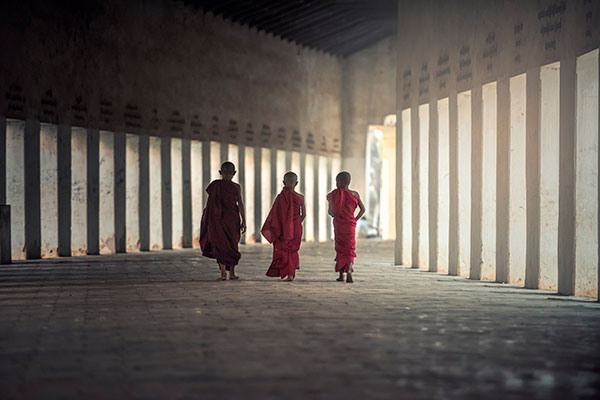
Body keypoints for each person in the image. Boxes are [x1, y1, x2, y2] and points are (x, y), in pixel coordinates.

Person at [199, 161, 246, 280]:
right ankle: (228, 273)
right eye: (227, 173)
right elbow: (239, 203)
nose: (227, 175)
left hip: (224, 219)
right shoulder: (231, 186)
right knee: (227, 245)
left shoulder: (220, 185)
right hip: (226, 219)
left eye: (228, 173)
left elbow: (212, 204)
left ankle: (227, 273)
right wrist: (243, 219)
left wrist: (243, 219)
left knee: (226, 244)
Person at [261, 172, 305, 281]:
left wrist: (282, 225)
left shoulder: (280, 197)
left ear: (283, 182)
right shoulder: (300, 197)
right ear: (297, 183)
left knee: (284, 249)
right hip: (296, 228)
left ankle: (288, 273)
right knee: (292, 250)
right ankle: (290, 274)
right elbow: (303, 215)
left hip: (282, 228)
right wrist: (296, 223)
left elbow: (275, 214)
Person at [327, 171, 365, 283]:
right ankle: (348, 270)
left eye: (337, 181)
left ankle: (341, 275)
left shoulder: (334, 195)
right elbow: (363, 209)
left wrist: (335, 211)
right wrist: (355, 219)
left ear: (340, 182)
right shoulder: (355, 194)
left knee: (340, 248)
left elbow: (331, 212)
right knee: (350, 249)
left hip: (339, 225)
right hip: (350, 226)